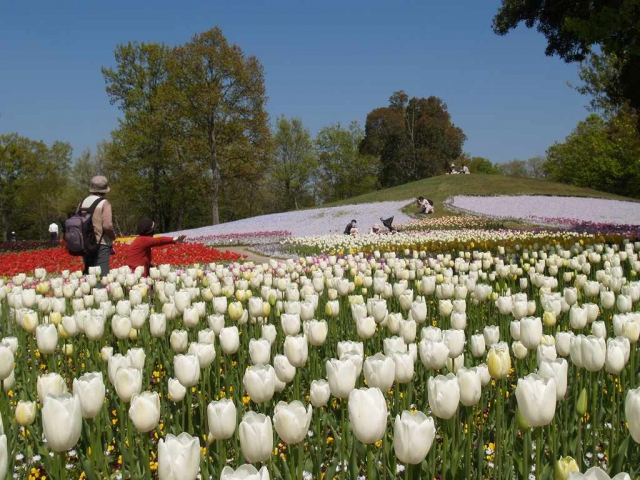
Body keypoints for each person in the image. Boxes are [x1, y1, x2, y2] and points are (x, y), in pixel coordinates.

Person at [79, 176, 116, 276]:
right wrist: (113, 236)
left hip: (85, 244)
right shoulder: (104, 203)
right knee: (101, 277)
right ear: (104, 190)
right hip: (101, 244)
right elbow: (107, 226)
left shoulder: (82, 202)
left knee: (89, 276)